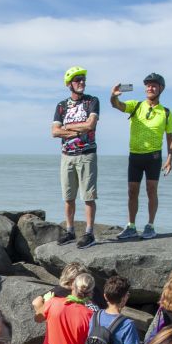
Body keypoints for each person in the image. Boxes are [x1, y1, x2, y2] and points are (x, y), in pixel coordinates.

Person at [110, 73, 172, 240]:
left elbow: (171, 137)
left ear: (161, 88)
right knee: (132, 191)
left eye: (154, 85)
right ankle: (131, 226)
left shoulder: (166, 112)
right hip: (135, 156)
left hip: (153, 156)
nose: (150, 88)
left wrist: (169, 159)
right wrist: (113, 96)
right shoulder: (136, 105)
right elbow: (117, 105)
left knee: (151, 190)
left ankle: (150, 225)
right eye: (147, 85)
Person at [51, 66, 99, 249]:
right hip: (67, 156)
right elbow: (54, 132)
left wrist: (68, 130)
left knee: (88, 196)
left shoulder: (92, 101)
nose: (82, 83)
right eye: (78, 80)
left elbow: (91, 125)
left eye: (83, 80)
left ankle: (89, 232)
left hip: (86, 155)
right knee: (68, 197)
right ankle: (70, 231)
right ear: (69, 83)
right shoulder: (62, 106)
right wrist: (79, 128)